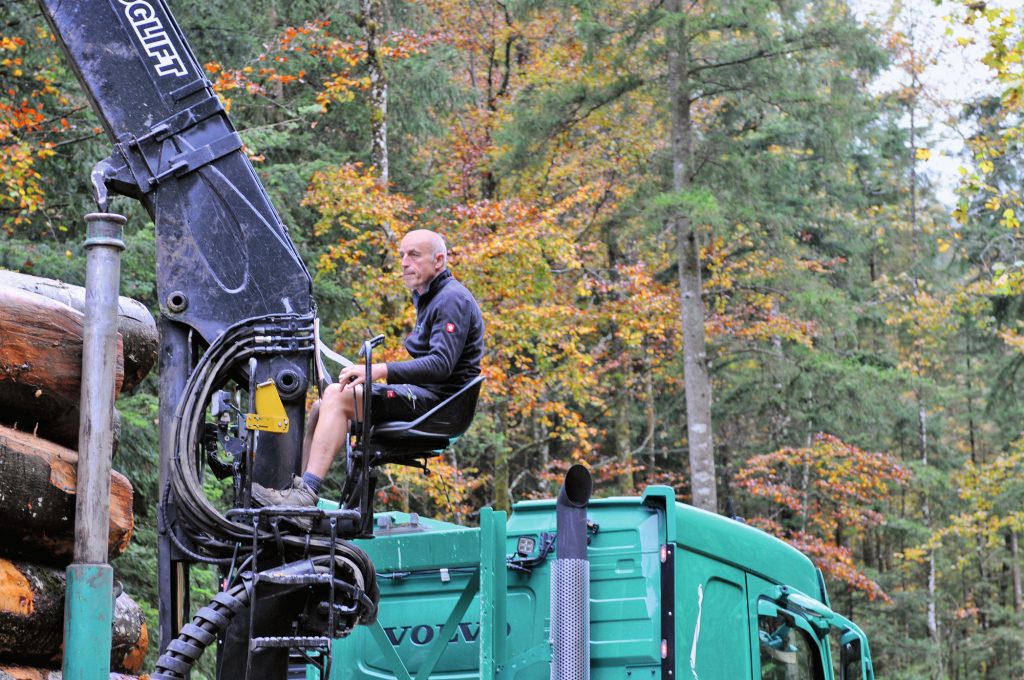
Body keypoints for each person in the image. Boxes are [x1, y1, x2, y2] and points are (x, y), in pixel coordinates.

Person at [252, 229, 484, 518]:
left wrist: (379, 371)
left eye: (414, 255)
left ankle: (306, 493)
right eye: (401, 255)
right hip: (428, 398)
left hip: (439, 406)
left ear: (438, 261)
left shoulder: (451, 299)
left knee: (337, 398)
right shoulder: (429, 298)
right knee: (321, 407)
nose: (404, 262)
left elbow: (440, 365)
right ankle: (293, 493)